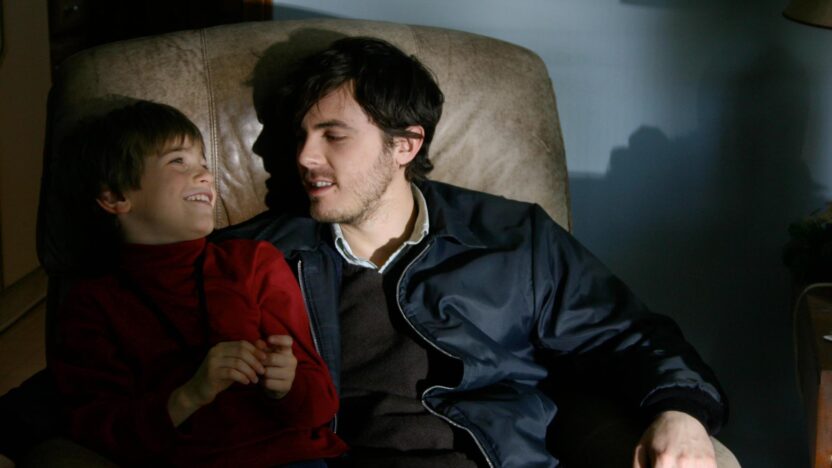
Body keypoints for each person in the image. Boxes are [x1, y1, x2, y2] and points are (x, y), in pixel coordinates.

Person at [214, 37, 729, 467]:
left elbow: (626, 333)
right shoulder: (256, 259)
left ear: (405, 145)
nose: (305, 157)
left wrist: (681, 411)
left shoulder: (513, 238)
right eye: (302, 136)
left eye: (334, 136)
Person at [41, 100, 347, 467]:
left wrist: (286, 384)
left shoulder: (253, 263)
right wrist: (188, 396)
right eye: (178, 162)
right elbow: (96, 427)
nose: (205, 175)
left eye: (204, 163)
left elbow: (321, 403)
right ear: (116, 197)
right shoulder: (92, 304)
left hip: (288, 458)